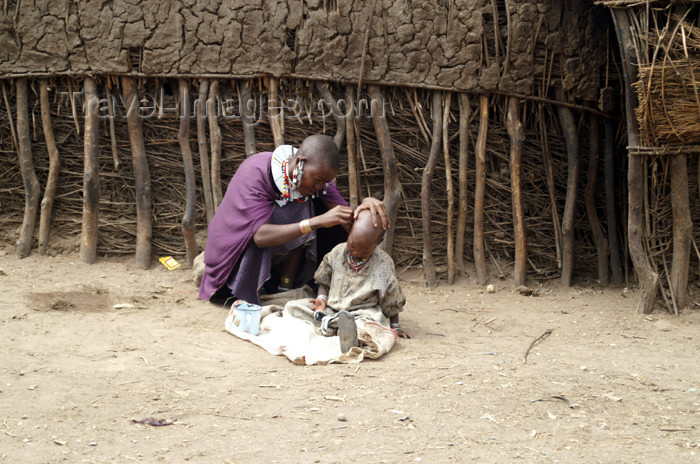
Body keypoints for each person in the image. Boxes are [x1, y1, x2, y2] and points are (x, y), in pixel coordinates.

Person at [198, 134, 388, 306]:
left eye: (325, 182)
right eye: (318, 180)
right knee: (302, 206)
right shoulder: (256, 172)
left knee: (309, 205)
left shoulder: (316, 181)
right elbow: (259, 237)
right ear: (301, 162)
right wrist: (315, 222)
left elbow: (345, 217)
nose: (320, 186)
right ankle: (252, 286)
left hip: (272, 261)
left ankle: (285, 286)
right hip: (232, 257)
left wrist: (364, 208)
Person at [309, 208, 410, 352]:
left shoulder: (383, 264)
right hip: (331, 309)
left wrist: (396, 327)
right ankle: (334, 327)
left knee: (367, 327)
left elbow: (391, 297)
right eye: (352, 245)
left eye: (364, 251)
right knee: (295, 309)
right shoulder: (336, 253)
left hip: (363, 313)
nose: (356, 253)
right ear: (349, 232)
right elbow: (324, 280)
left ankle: (346, 334)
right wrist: (322, 300)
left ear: (379, 242)